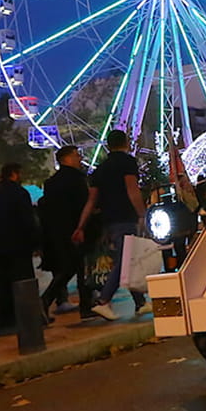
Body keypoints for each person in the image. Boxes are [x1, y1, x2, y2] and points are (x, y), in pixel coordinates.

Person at [72, 130, 150, 320]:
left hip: (109, 221)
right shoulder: (127, 162)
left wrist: (80, 226)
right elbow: (132, 189)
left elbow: (91, 201)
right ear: (126, 142)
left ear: (108, 145)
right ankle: (104, 301)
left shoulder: (100, 169)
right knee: (125, 261)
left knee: (126, 259)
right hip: (126, 218)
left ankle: (140, 303)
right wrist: (142, 214)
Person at [0, 162, 40, 336]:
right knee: (22, 283)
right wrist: (35, 243)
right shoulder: (19, 193)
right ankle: (26, 318)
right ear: (14, 174)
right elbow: (28, 221)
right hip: (18, 246)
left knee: (0, 285)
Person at [39, 145, 94, 321]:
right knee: (82, 269)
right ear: (66, 159)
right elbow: (82, 206)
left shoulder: (50, 183)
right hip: (77, 231)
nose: (80, 158)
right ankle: (85, 307)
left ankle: (47, 300)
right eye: (76, 155)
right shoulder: (77, 180)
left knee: (69, 268)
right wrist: (82, 227)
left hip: (58, 233)